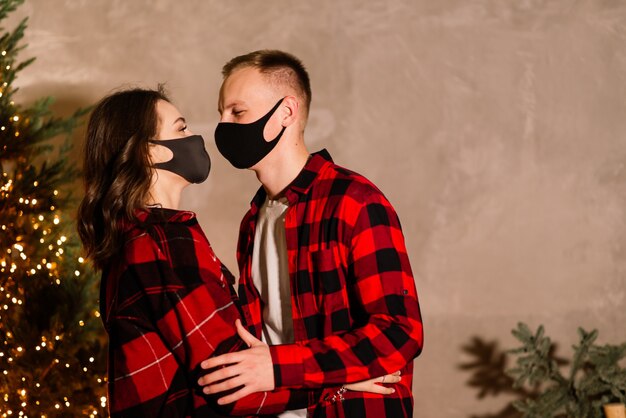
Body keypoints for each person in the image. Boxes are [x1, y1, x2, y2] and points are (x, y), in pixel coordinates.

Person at [76, 87, 399, 417]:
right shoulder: (164, 242)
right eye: (181, 128)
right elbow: (231, 380)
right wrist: (338, 383)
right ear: (149, 153)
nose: (195, 136)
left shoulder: (137, 238)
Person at [198, 50, 424, 418]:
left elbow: (399, 333)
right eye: (221, 114)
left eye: (237, 112)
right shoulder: (253, 221)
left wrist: (279, 367)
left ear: (286, 112)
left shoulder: (355, 202)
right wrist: (331, 377)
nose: (223, 125)